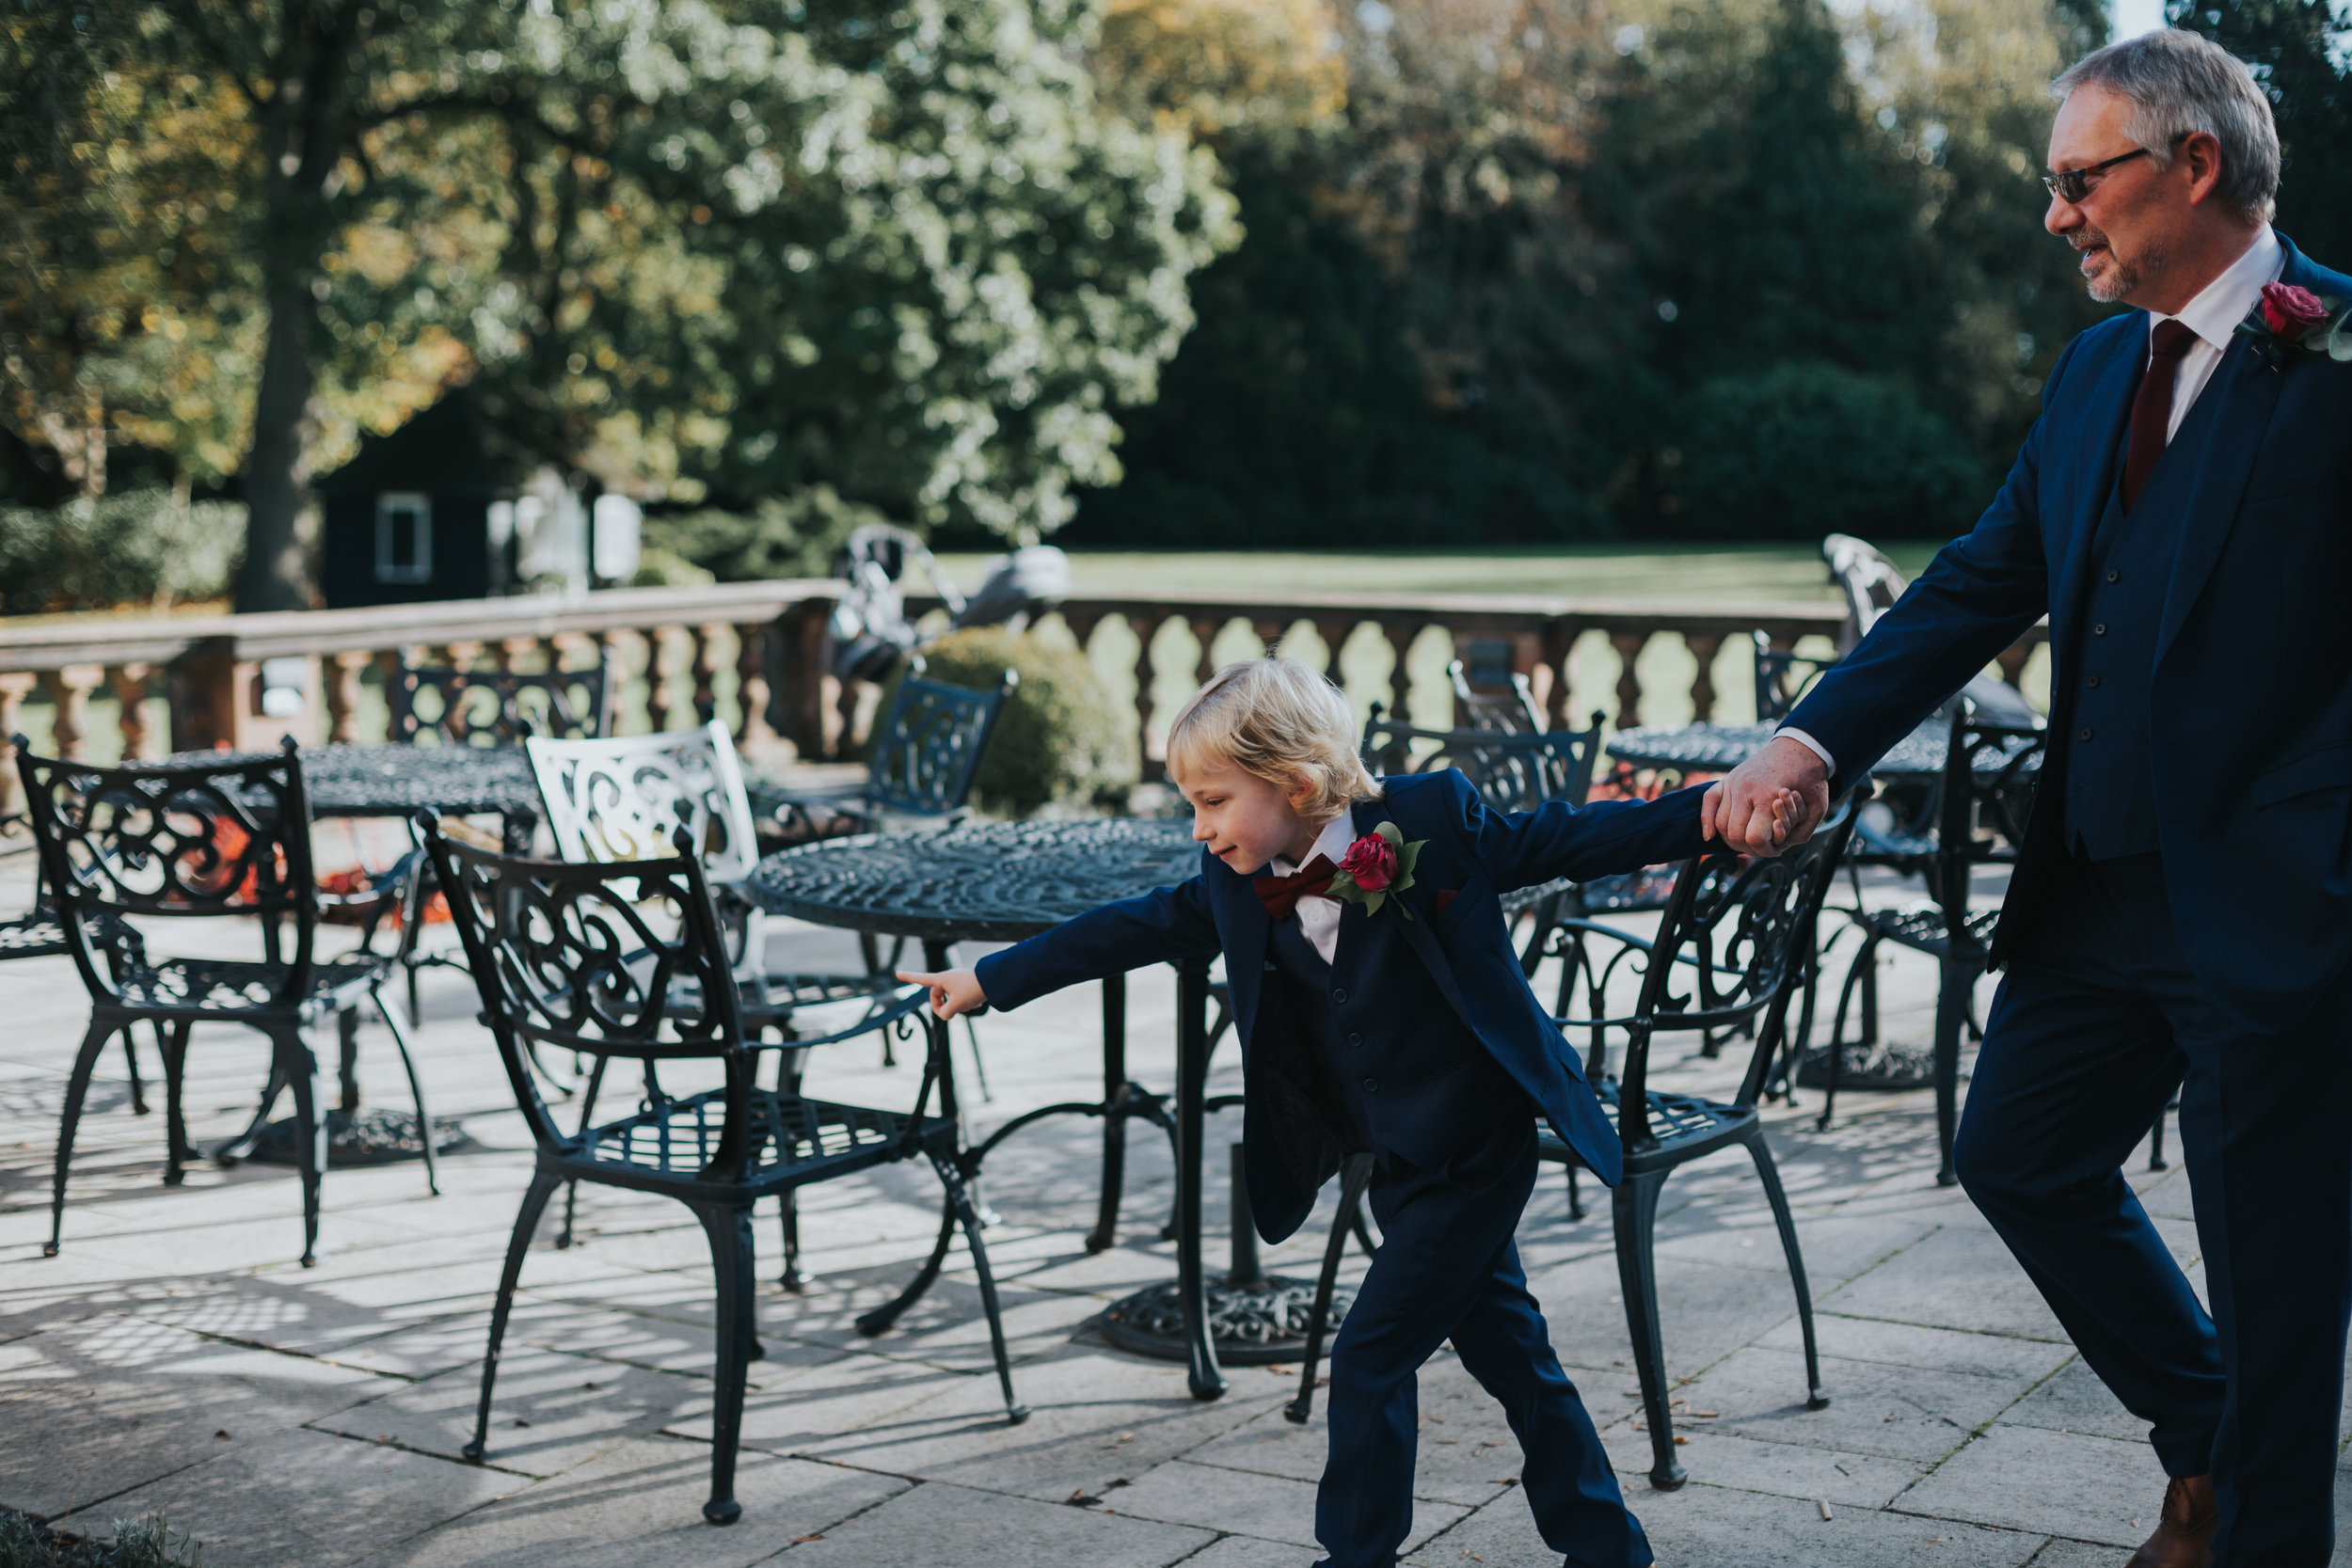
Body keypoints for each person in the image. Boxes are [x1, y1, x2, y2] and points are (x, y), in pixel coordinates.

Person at [1702, 29, 2352, 1568]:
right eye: (2050, 183)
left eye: (2080, 179)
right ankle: (2201, 1434)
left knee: (2275, 1276)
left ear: (2195, 166)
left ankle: (2257, 1533)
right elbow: (1975, 584)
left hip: (2278, 908)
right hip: (2100, 887)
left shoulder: (2337, 357)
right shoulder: (2086, 374)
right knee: (2018, 1154)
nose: (2057, 214)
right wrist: (1810, 739)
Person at [901, 657, 1797, 1568]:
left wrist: (1716, 812)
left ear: (1295, 782)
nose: (1200, 828)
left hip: (1477, 1150)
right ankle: (1608, 1547)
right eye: (1191, 805)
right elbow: (1134, 923)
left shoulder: (1433, 822)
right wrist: (988, 977)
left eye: (1212, 800)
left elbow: (1572, 836)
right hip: (1397, 1165)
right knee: (1514, 1357)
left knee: (1368, 1358)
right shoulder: (1233, 877)